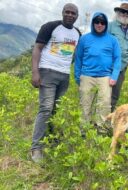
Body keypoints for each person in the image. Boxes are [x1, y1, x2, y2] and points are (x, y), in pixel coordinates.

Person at [30, 3, 80, 163]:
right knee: (45, 108)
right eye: (68, 12)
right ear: (63, 13)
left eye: (73, 13)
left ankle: (52, 140)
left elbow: (74, 55)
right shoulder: (50, 27)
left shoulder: (77, 33)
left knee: (55, 110)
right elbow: (37, 48)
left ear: (77, 16)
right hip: (47, 72)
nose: (70, 15)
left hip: (64, 75)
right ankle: (36, 148)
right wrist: (35, 72)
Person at [74, 13, 121, 134]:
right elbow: (78, 59)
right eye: (97, 21)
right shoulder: (84, 39)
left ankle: (102, 130)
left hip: (105, 76)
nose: (99, 24)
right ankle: (84, 131)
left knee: (105, 104)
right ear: (93, 23)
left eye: (102, 22)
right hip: (86, 75)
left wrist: (114, 76)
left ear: (106, 24)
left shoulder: (113, 40)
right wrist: (78, 76)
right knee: (85, 104)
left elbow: (117, 59)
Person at [107, 3, 128, 112]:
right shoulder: (109, 26)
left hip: (121, 68)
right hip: (107, 66)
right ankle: (97, 119)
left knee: (115, 94)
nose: (125, 14)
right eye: (123, 12)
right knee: (103, 92)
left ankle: (108, 118)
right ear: (118, 13)